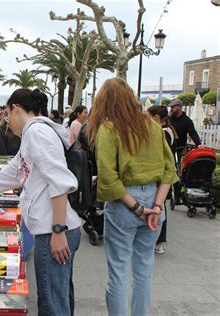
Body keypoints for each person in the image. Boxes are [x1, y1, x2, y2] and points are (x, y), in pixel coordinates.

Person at [0, 88, 81, 316]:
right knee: (58, 298)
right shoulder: (32, 135)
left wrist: (58, 230)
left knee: (53, 304)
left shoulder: (37, 133)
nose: (6, 121)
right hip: (52, 229)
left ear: (15, 109)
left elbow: (60, 182)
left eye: (7, 115)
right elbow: (2, 177)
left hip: (53, 230)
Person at [87, 78, 177, 316]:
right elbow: (170, 171)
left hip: (125, 201)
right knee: (144, 269)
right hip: (156, 197)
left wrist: (138, 208)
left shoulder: (108, 129)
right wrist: (156, 206)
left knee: (118, 271)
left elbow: (108, 177)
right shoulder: (153, 127)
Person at [147, 105, 178, 255]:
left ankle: (159, 240)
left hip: (162, 175)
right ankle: (158, 240)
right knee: (160, 206)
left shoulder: (163, 132)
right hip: (164, 174)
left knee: (160, 207)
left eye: (149, 116)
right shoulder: (168, 130)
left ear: (156, 118)